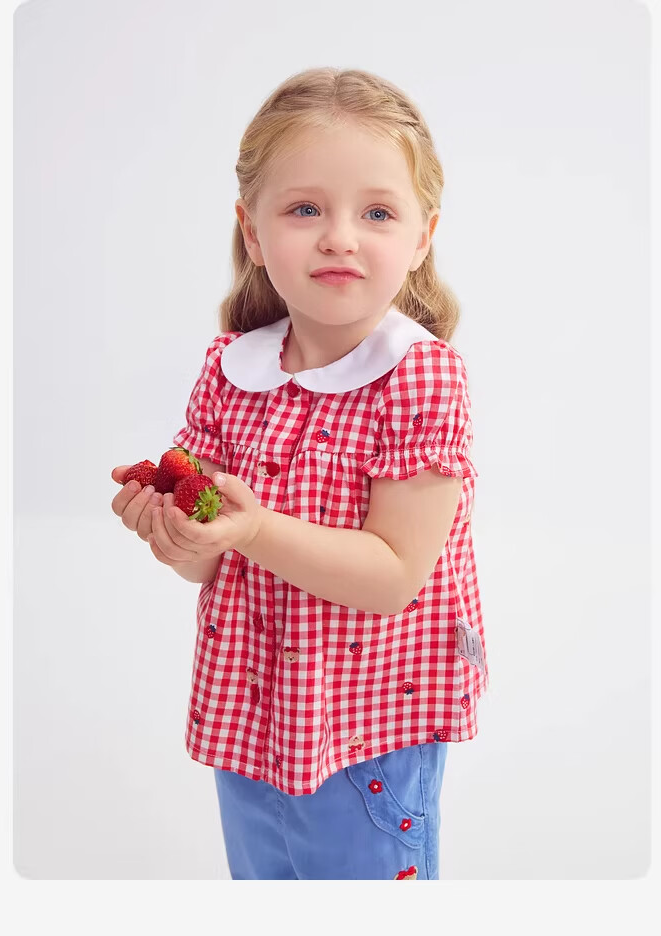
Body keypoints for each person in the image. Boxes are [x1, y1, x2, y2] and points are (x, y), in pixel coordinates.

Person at [111, 66, 488, 880]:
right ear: (252, 231)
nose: (340, 237)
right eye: (305, 209)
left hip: (367, 735)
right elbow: (212, 558)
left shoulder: (418, 377)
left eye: (377, 212)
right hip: (253, 726)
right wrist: (179, 533)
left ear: (422, 237)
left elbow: (393, 577)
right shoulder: (232, 369)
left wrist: (252, 528)